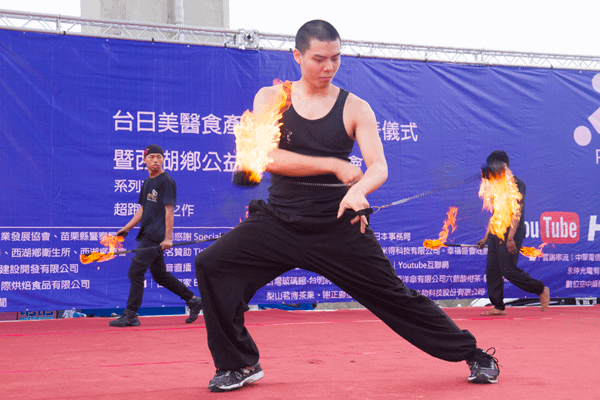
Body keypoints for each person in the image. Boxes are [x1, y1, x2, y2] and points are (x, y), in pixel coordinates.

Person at [195, 20, 499, 392]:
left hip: (337, 224)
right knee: (212, 265)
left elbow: (379, 166)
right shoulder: (271, 98)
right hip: (278, 221)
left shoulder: (355, 108)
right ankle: (239, 364)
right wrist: (335, 165)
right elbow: (265, 157)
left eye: (335, 58)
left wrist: (359, 191)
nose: (328, 67)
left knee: (394, 296)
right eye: (319, 59)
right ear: (297, 56)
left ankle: (475, 354)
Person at [109, 144, 202, 327]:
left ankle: (131, 314)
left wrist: (168, 238)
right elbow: (143, 209)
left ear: (163, 160)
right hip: (148, 232)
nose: (155, 161)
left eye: (159, 157)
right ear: (144, 160)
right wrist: (126, 228)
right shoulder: (147, 182)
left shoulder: (166, 181)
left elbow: (169, 211)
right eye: (151, 157)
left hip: (155, 235)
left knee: (135, 272)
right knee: (159, 275)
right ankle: (193, 300)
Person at [476, 150, 550, 316]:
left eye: (494, 165)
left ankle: (540, 289)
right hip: (497, 232)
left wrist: (510, 238)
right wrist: (486, 237)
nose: (491, 169)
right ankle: (498, 306)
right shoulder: (495, 185)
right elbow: (495, 214)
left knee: (507, 269)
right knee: (492, 270)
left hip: (511, 233)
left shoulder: (516, 184)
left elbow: (516, 212)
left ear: (503, 165)